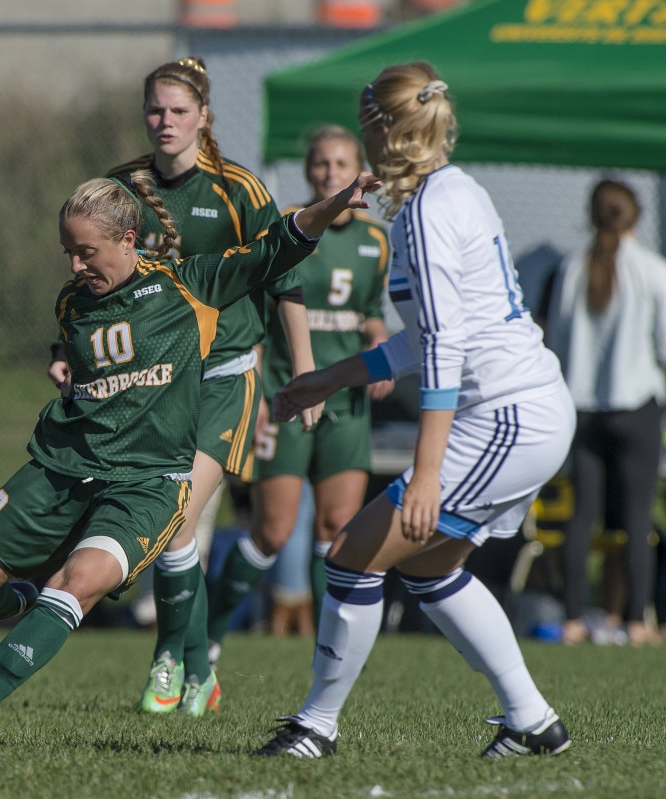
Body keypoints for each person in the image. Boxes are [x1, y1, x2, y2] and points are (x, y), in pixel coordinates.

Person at [0, 167, 381, 734]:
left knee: (76, 583)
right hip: (61, 467)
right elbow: (83, 347)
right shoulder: (73, 301)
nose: (74, 265)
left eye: (86, 251)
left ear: (128, 240)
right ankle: (20, 603)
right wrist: (65, 362)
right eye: (68, 251)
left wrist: (335, 203)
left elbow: (279, 245)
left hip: (148, 483)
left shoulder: (187, 285)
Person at [254, 61, 575, 759]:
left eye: (365, 125)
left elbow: (445, 351)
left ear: (383, 131)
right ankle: (533, 722)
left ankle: (315, 725)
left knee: (350, 557)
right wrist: (328, 378)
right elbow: (425, 338)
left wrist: (425, 472)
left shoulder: (429, 211)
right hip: (525, 412)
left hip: (508, 415)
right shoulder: (449, 193)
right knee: (428, 568)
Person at [48, 56, 316, 715]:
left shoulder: (238, 190)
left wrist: (304, 370)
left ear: (204, 116)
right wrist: (66, 352)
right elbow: (90, 282)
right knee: (178, 532)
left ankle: (170, 657)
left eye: (177, 111)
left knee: (176, 523)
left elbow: (283, 274)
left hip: (224, 374)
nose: (164, 122)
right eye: (154, 110)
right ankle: (200, 669)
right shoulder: (121, 188)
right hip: (154, 384)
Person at [206, 125, 392, 661]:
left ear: (360, 170)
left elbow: (372, 314)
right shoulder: (287, 229)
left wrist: (378, 343)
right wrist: (257, 393)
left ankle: (327, 654)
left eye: (341, 164)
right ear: (309, 170)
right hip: (286, 398)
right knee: (273, 531)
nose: (330, 173)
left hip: (346, 402)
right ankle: (210, 640)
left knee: (337, 530)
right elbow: (257, 319)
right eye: (321, 164)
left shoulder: (375, 240)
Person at [544, 179, 666, 648]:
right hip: (636, 409)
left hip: (583, 411)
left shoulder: (570, 267)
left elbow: (555, 339)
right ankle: (636, 623)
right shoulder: (653, 270)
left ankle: (574, 620)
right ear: (635, 215)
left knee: (582, 516)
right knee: (636, 519)